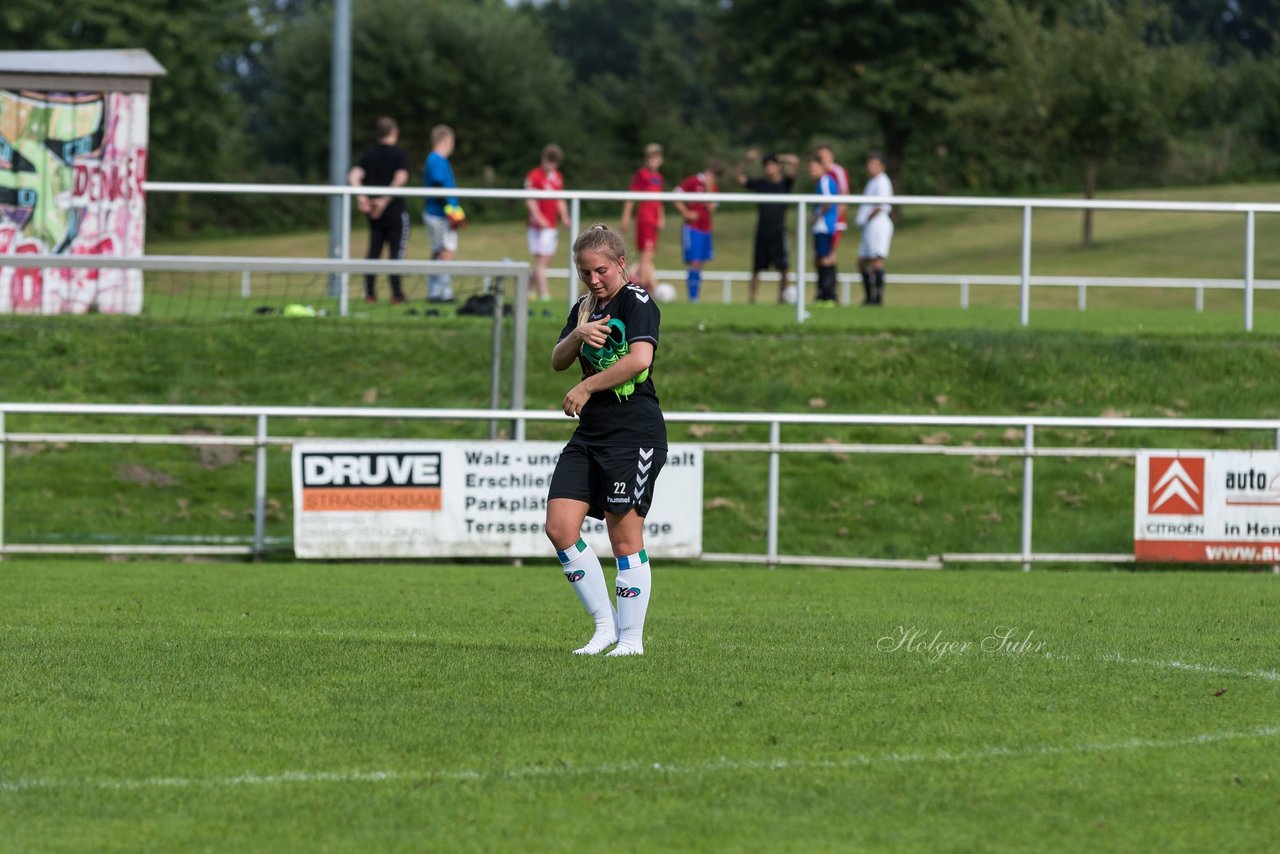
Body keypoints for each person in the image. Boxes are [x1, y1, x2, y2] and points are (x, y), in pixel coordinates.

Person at [546, 224, 667, 657]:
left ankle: (631, 641)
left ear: (621, 263)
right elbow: (558, 360)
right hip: (591, 433)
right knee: (559, 527)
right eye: (584, 272)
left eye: (601, 271)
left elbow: (639, 360)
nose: (593, 280)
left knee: (624, 540)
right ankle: (605, 629)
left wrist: (587, 387)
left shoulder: (638, 301)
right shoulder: (583, 307)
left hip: (634, 433)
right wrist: (576, 335)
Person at [348, 116, 410, 304]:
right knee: (395, 254)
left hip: (373, 213)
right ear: (395, 132)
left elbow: (353, 175)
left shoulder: (369, 154)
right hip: (394, 212)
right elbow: (401, 178)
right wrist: (384, 201)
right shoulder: (399, 154)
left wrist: (362, 198)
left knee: (373, 252)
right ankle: (397, 295)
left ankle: (370, 294)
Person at [735, 148, 797, 304]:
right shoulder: (761, 184)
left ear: (778, 166)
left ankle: (782, 298)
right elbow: (739, 178)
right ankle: (752, 299)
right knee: (757, 268)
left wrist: (780, 157)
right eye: (767, 165)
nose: (769, 168)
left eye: (772, 164)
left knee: (783, 268)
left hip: (778, 231)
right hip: (762, 231)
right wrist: (746, 161)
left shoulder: (785, 184)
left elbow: (795, 162)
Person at [673, 158, 726, 303]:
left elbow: (712, 209)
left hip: (706, 228)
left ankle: (696, 296)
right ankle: (693, 297)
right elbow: (675, 196)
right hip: (692, 228)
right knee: (694, 262)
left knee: (701, 263)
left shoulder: (713, 187)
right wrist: (686, 213)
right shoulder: (692, 181)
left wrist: (709, 188)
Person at [421, 124, 464, 303]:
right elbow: (439, 186)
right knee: (446, 251)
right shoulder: (437, 160)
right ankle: (442, 294)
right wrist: (451, 210)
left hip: (438, 212)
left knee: (438, 251)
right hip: (439, 214)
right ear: (446, 140)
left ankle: (434, 291)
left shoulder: (434, 159)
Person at [524, 144, 572, 302]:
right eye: (548, 161)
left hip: (551, 225)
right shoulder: (534, 176)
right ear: (543, 159)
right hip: (538, 226)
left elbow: (560, 199)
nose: (550, 165)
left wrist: (564, 216)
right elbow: (529, 199)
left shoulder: (557, 177)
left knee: (544, 262)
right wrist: (538, 217)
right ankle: (544, 295)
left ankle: (527, 290)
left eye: (554, 162)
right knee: (541, 262)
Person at [619, 143, 666, 294]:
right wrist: (626, 217)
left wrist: (661, 217)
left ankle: (632, 281)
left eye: (656, 157)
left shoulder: (659, 178)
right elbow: (631, 197)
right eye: (650, 157)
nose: (653, 161)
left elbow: (659, 200)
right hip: (645, 218)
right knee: (646, 255)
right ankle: (646, 289)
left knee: (649, 256)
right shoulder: (642, 174)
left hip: (654, 220)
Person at [857, 152, 895, 306]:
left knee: (876, 260)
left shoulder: (882, 182)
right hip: (869, 226)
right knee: (861, 262)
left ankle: (877, 298)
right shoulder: (871, 182)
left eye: (874, 164)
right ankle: (869, 296)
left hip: (878, 224)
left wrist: (867, 218)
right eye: (869, 164)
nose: (870, 167)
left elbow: (880, 206)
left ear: (882, 166)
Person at [807, 154, 839, 306]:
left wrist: (815, 217)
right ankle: (822, 294)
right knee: (819, 259)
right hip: (822, 226)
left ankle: (828, 295)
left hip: (824, 226)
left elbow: (828, 203)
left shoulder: (825, 181)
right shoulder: (820, 183)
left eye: (813, 168)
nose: (811, 171)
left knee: (825, 259)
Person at [815, 143, 851, 258]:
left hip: (833, 219)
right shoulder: (820, 175)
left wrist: (837, 217)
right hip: (824, 219)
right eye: (820, 157)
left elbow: (844, 195)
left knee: (829, 253)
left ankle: (830, 275)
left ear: (832, 156)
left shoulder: (837, 171)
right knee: (823, 254)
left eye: (825, 156)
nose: (823, 159)